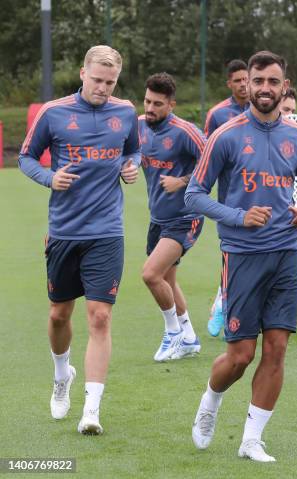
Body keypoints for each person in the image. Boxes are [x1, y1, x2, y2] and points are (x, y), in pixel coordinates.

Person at [185, 51, 297, 462]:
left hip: (286, 253)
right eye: (257, 80)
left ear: (285, 87)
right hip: (242, 255)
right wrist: (239, 217)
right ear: (247, 83)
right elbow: (194, 195)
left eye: (272, 82)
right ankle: (210, 401)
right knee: (241, 355)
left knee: (277, 349)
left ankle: (251, 440)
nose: (264, 89)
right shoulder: (225, 135)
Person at [18, 45, 140, 435]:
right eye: (98, 80)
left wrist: (130, 166)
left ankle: (92, 410)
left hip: (106, 232)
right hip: (64, 231)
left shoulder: (124, 113)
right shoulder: (53, 113)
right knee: (59, 314)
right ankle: (61, 374)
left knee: (100, 316)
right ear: (83, 73)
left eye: (110, 82)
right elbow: (26, 158)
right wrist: (50, 178)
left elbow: (133, 151)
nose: (103, 88)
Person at [139, 73, 206, 361]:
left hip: (185, 216)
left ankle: (173, 334)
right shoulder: (139, 126)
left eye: (157, 104)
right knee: (167, 279)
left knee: (151, 274)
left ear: (171, 104)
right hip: (158, 217)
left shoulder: (186, 132)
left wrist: (182, 181)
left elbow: (213, 163)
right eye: (146, 101)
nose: (150, 108)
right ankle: (189, 337)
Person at [204, 59, 250, 338]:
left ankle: (228, 303)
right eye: (238, 81)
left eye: (247, 79)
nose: (243, 85)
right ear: (229, 84)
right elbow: (208, 156)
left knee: (256, 258)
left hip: (261, 193)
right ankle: (224, 304)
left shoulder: (263, 108)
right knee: (232, 255)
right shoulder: (218, 114)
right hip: (229, 199)